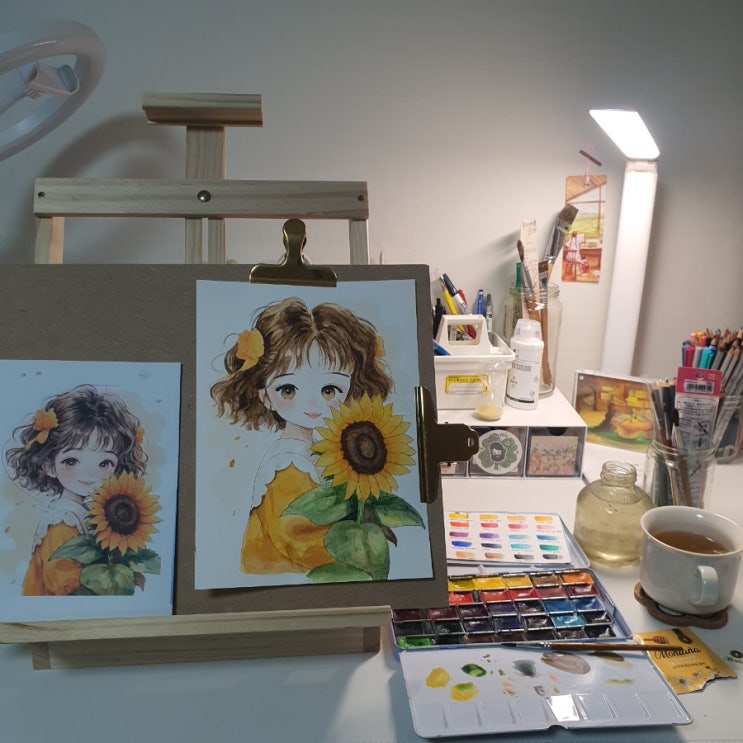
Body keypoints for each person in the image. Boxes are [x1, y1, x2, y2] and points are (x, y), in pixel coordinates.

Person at [210, 297, 393, 575]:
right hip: (277, 582)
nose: (312, 405)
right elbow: (298, 540)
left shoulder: (316, 452)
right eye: (289, 390)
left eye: (328, 390)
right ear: (265, 396)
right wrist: (357, 555)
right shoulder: (288, 462)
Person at [5, 384, 146, 595]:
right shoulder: (62, 521)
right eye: (71, 461)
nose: (88, 475)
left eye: (104, 463)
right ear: (49, 466)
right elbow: (65, 586)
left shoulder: (85, 513)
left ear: (118, 468)